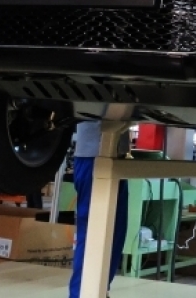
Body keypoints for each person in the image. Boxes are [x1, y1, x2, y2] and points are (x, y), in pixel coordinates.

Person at [70, 120, 129, 298]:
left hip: (116, 156)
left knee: (115, 234)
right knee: (93, 236)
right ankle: (81, 294)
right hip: (94, 156)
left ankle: (100, 291)